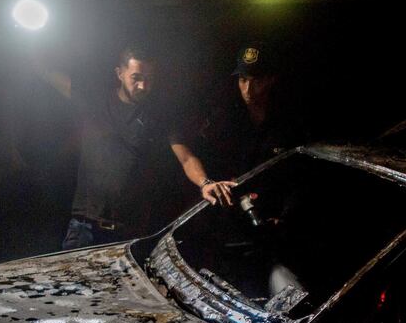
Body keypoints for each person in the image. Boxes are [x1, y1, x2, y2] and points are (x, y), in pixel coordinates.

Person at [56, 45, 235, 250]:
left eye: (149, 79)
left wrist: (205, 183)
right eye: (136, 77)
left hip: (130, 233)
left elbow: (185, 157)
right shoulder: (96, 101)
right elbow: (53, 77)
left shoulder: (159, 115)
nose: (143, 86)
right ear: (120, 73)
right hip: (85, 228)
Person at [204, 41, 308, 179]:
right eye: (243, 80)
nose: (248, 90)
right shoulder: (227, 117)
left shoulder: (290, 119)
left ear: (271, 80)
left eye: (256, 81)